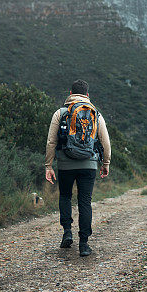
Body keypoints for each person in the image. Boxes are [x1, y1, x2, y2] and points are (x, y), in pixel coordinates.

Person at [44, 79, 111, 256]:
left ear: (71, 93)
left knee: (65, 196)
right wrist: (106, 163)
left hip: (65, 164)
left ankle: (67, 232)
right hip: (89, 165)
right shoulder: (95, 113)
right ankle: (84, 244)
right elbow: (105, 141)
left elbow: (51, 141)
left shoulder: (60, 113)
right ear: (87, 95)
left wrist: (48, 165)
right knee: (85, 202)